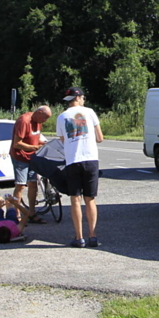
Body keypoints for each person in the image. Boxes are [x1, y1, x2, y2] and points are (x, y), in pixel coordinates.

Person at [56, 86, 103, 248]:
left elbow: (63, 140)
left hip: (72, 160)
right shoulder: (89, 112)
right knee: (90, 199)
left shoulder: (61, 117)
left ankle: (79, 237)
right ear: (78, 98)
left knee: (75, 199)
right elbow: (100, 138)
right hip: (90, 159)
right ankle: (93, 236)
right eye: (83, 97)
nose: (83, 100)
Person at [9, 104, 52, 219]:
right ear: (39, 113)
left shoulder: (38, 122)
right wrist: (35, 147)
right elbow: (17, 144)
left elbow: (35, 139)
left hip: (32, 158)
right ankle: (16, 215)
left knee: (33, 184)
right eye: (45, 117)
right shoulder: (24, 121)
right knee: (20, 185)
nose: (45, 121)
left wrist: (46, 144)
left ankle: (31, 213)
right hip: (20, 157)